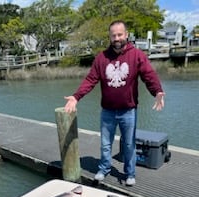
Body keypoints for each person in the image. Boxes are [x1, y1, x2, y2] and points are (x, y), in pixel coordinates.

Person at [63, 20, 165, 186]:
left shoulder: (137, 55)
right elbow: (90, 79)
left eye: (119, 34)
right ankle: (104, 168)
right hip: (108, 111)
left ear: (126, 35)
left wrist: (157, 91)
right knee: (105, 144)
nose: (116, 38)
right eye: (113, 35)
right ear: (109, 37)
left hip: (128, 111)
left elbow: (149, 75)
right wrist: (76, 97)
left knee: (129, 144)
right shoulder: (102, 58)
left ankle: (130, 173)